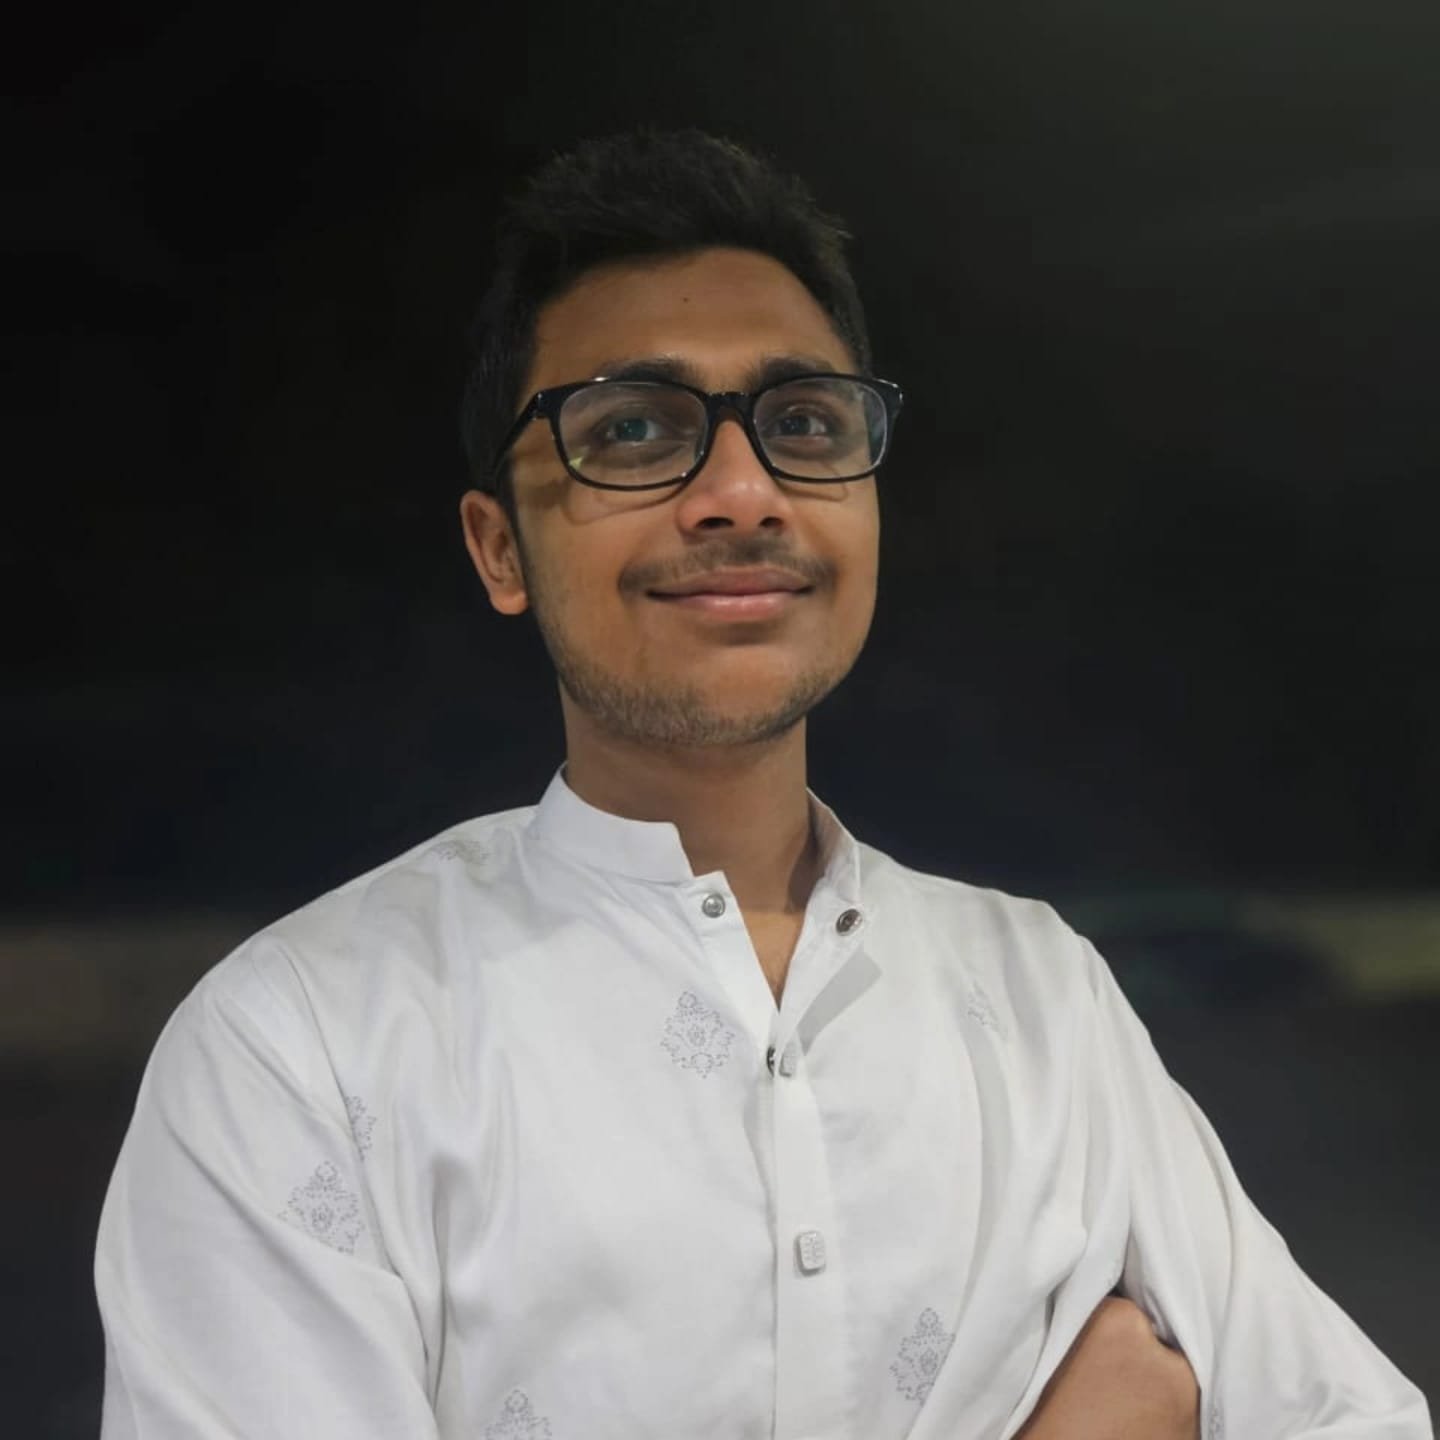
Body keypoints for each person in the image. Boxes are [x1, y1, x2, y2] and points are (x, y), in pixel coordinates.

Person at [95, 130, 1431, 1439]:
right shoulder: (306, 1049)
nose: (742, 492)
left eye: (800, 422)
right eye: (632, 429)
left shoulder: (1040, 998)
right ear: (499, 550)